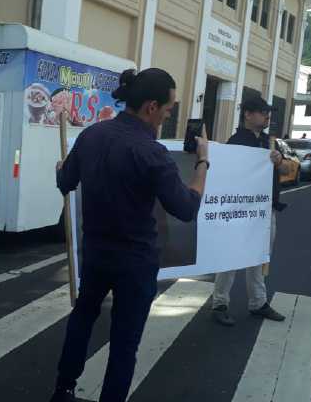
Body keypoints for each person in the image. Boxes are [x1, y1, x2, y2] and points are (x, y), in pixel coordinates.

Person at [49, 68, 209, 402]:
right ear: (151, 107)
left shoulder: (91, 135)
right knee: (124, 343)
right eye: (168, 109)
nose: (167, 117)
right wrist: (202, 163)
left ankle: (63, 389)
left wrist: (60, 170)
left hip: (95, 253)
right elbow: (186, 208)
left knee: (82, 318)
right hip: (135, 262)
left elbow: (66, 183)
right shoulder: (151, 153)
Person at [211, 97, 287, 326]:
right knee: (230, 257)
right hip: (241, 209)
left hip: (265, 210)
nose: (267, 116)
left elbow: (284, 168)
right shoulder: (236, 141)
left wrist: (279, 160)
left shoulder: (269, 142)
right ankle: (220, 302)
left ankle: (258, 302)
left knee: (260, 257)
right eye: (263, 112)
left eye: (268, 112)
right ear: (248, 114)